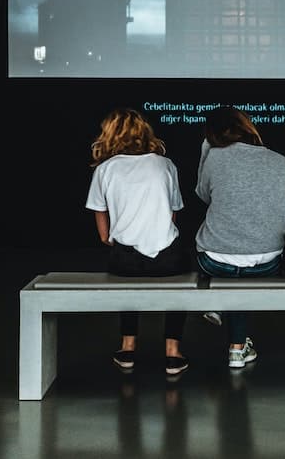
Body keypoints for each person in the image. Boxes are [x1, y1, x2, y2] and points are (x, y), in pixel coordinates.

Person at [85, 107, 191, 376]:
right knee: (178, 289)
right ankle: (172, 351)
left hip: (125, 257)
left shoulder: (105, 169)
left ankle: (128, 346)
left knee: (126, 286)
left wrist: (107, 238)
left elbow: (99, 210)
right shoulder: (165, 164)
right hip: (169, 256)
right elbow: (174, 210)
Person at [194, 105, 285, 368]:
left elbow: (202, 195)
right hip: (268, 260)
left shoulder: (214, 158)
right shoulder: (280, 160)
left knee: (223, 265)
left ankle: (219, 308)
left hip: (215, 261)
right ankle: (237, 348)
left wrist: (206, 151)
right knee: (241, 273)